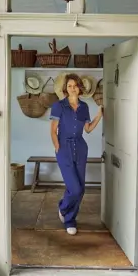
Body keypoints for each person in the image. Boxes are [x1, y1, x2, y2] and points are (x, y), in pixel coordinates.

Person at [49, 73, 103, 235]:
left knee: (81, 188)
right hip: (64, 148)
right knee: (75, 188)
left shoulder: (84, 107)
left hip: (80, 148)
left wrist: (99, 115)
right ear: (66, 88)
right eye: (69, 86)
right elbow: (53, 130)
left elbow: (87, 129)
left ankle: (70, 220)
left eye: (75, 85)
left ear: (80, 88)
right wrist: (58, 147)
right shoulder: (59, 106)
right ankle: (64, 209)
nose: (72, 88)